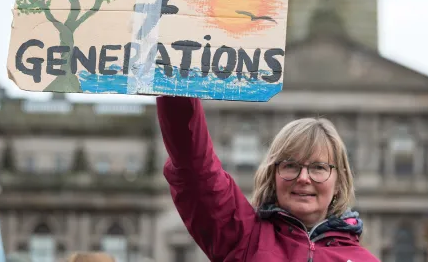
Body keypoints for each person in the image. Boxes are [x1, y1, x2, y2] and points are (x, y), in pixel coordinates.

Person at [157, 96, 380, 261]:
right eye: (290, 165)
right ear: (273, 176)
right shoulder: (243, 236)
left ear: (339, 182)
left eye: (319, 168)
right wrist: (178, 75)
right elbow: (195, 168)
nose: (303, 178)